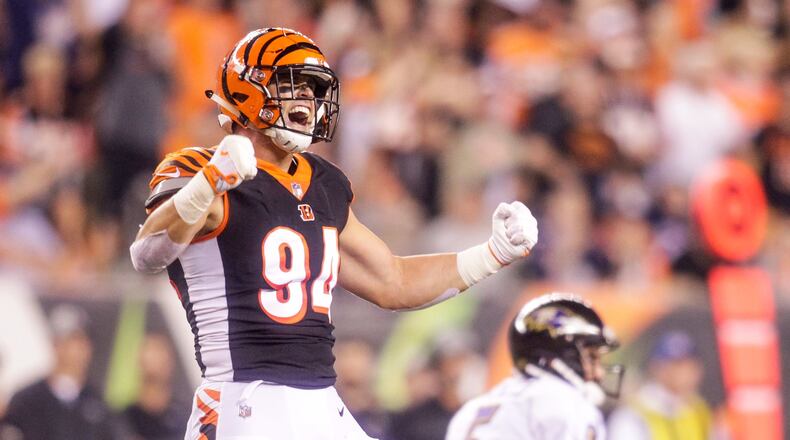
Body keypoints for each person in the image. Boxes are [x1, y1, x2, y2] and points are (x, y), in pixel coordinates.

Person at [129, 27, 539, 439]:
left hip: (322, 400)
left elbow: (393, 281)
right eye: (293, 86)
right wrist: (208, 183)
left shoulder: (322, 181)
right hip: (244, 401)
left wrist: (491, 254)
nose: (307, 100)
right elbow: (147, 253)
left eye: (313, 89)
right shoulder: (199, 169)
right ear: (248, 89)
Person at [445, 293, 622, 440]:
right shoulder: (566, 403)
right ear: (562, 353)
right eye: (591, 357)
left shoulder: (474, 408)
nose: (599, 373)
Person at [1, 304, 120, 440]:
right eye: (63, 340)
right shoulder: (25, 401)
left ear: (88, 346)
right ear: (53, 343)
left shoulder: (99, 403)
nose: (71, 349)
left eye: (77, 340)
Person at [607, 331, 713, 440]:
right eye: (677, 365)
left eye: (690, 364)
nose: (686, 372)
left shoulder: (699, 410)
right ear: (656, 367)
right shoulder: (633, 415)